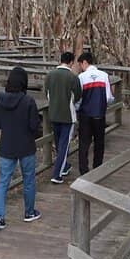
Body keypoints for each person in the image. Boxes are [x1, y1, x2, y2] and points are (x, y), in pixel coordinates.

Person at [0, 66, 42, 230]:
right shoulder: (29, 101)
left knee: (3, 182)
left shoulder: (0, 99)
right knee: (29, 180)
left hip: (7, 145)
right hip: (26, 145)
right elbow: (34, 125)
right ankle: (29, 212)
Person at [44, 51, 81, 184]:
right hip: (67, 116)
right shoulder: (73, 77)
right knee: (64, 145)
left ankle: (64, 167)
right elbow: (77, 96)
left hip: (53, 114)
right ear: (71, 62)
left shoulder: (49, 75)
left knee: (59, 143)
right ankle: (56, 174)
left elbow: (46, 94)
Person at [77, 52, 114, 174]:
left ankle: (84, 170)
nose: (80, 67)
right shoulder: (104, 75)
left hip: (85, 115)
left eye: (80, 64)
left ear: (85, 62)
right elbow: (109, 97)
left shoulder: (81, 77)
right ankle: (97, 169)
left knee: (84, 143)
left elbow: (79, 98)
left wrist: (78, 108)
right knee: (99, 142)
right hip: (99, 114)